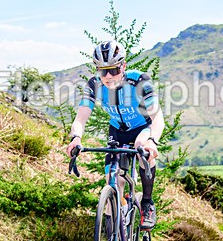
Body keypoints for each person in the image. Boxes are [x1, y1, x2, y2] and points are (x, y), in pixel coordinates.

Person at [66, 40, 164, 230]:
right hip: (117, 131)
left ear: (123, 66)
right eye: (103, 71)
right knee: (113, 181)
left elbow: (157, 115)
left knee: (141, 146)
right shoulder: (94, 85)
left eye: (114, 70)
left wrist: (153, 141)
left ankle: (147, 203)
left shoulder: (139, 80)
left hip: (142, 127)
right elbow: (81, 118)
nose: (109, 76)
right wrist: (75, 138)